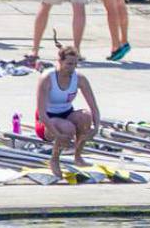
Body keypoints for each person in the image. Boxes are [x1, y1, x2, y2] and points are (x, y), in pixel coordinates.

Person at [34, 40, 101, 179]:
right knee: (68, 128)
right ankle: (54, 159)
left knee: (86, 117)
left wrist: (96, 128)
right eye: (69, 64)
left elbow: (94, 107)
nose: (72, 68)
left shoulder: (80, 78)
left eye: (75, 64)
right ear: (59, 61)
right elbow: (41, 113)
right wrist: (57, 135)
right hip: (45, 120)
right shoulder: (47, 78)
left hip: (66, 114)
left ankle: (78, 156)